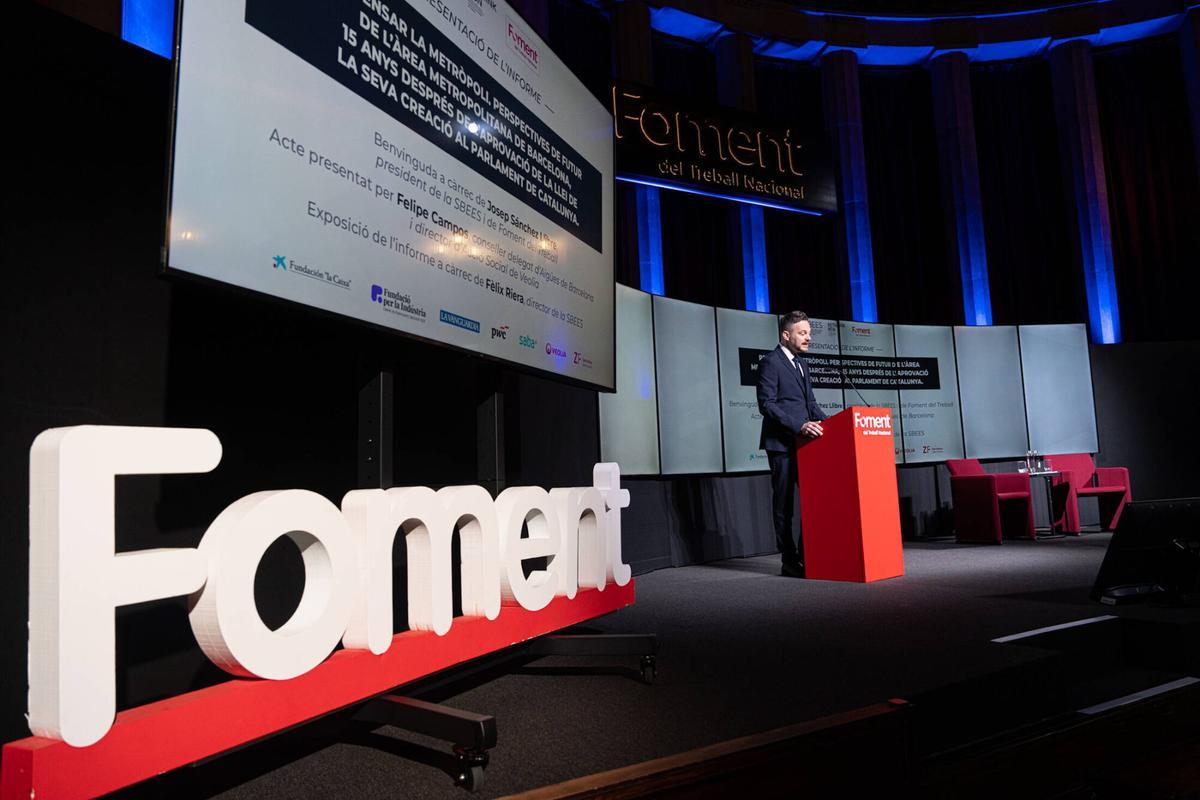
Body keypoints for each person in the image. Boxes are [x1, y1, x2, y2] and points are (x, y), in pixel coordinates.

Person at [756, 311, 827, 578]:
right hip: (782, 444)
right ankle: (789, 560)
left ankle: (807, 555)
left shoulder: (802, 364)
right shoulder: (770, 363)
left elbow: (811, 405)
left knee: (816, 500)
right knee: (784, 504)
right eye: (802, 333)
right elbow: (767, 405)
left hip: (806, 446)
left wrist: (833, 425)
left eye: (809, 333)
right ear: (786, 335)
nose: (808, 337)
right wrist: (798, 425)